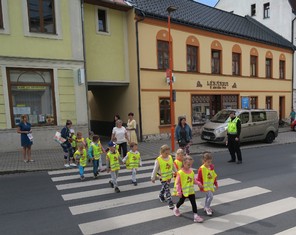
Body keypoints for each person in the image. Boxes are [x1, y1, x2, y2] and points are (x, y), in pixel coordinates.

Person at [173, 155, 204, 223]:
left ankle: (195, 216)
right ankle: (176, 208)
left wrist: (199, 183)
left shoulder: (191, 172)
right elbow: (177, 183)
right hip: (184, 192)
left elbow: (193, 180)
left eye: (191, 165)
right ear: (184, 164)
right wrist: (179, 192)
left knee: (193, 203)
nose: (190, 166)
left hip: (191, 191)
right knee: (181, 201)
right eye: (188, 165)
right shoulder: (180, 173)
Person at [151, 144, 177, 209]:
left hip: (168, 177)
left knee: (165, 187)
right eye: (166, 153)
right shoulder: (158, 160)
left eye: (168, 153)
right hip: (162, 177)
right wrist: (153, 177)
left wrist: (176, 171)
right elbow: (155, 169)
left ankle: (161, 195)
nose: (167, 155)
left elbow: (172, 165)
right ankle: (170, 203)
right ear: (161, 152)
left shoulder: (170, 157)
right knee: (167, 190)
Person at [197, 152, 218, 216]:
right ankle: (207, 207)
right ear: (204, 161)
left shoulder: (211, 168)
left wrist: (215, 183)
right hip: (205, 186)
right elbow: (199, 178)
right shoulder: (201, 169)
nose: (209, 163)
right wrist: (200, 184)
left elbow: (213, 176)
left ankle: (206, 206)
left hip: (210, 185)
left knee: (207, 197)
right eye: (208, 162)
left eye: (210, 162)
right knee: (211, 197)